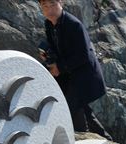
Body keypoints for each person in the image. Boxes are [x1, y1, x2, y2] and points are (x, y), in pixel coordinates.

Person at [38, 0, 107, 136]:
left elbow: (84, 55)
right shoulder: (49, 24)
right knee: (84, 112)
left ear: (60, 3)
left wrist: (59, 67)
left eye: (52, 4)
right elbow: (58, 49)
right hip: (71, 75)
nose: (49, 10)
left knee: (69, 109)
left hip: (85, 75)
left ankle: (83, 140)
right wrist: (48, 57)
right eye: (45, 6)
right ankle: (107, 142)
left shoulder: (74, 25)